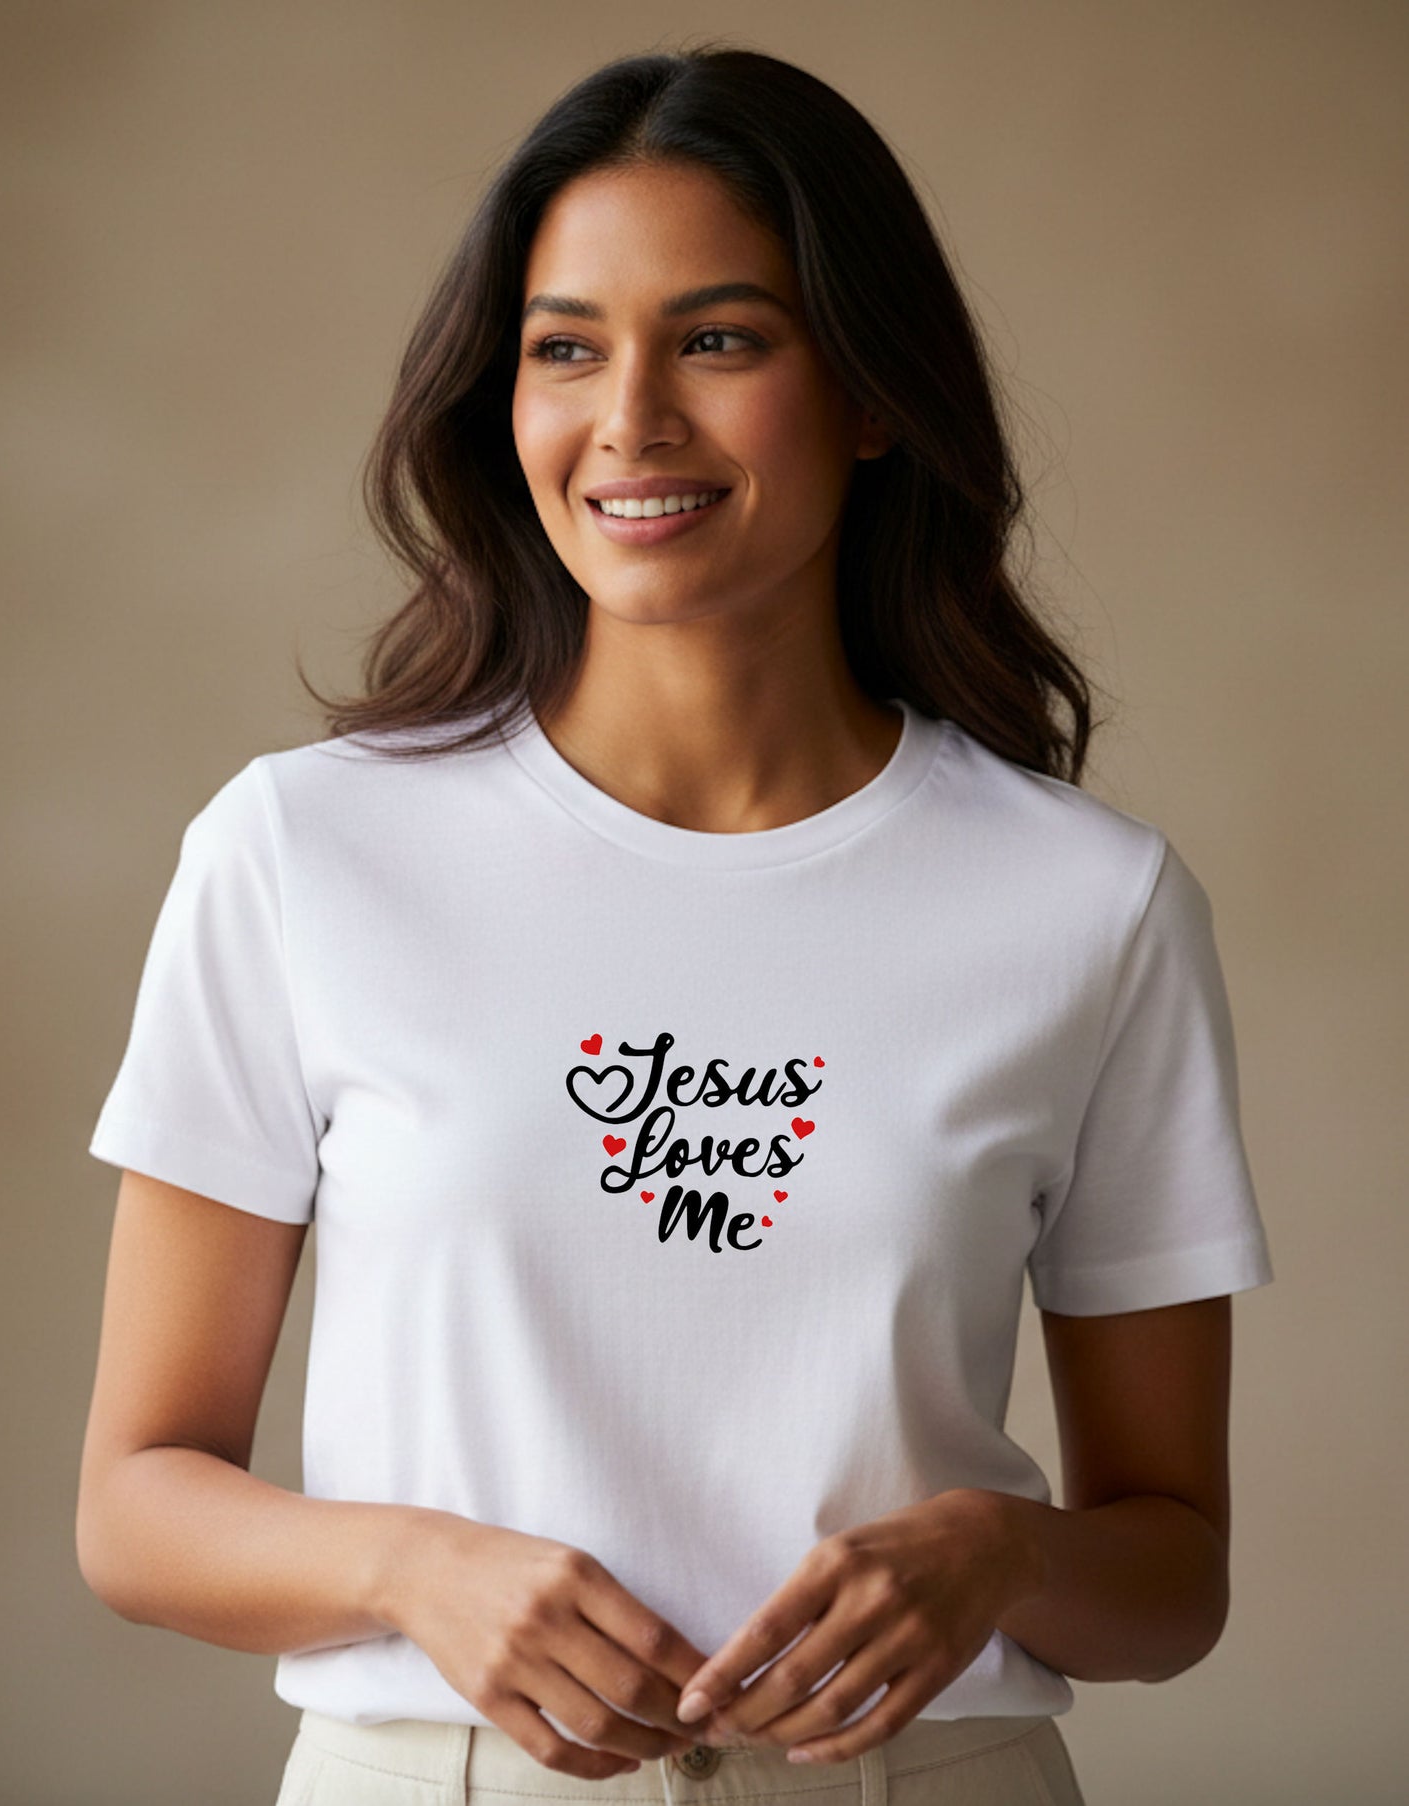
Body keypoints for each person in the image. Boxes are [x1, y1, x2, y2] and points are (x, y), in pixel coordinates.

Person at [76, 41, 1275, 1806]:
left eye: (718, 339)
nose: (628, 419)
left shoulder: (1087, 903)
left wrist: (1003, 1552)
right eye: (565, 348)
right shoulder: (303, 852)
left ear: (869, 393)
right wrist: (413, 1565)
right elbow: (133, 1505)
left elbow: (1172, 1576)